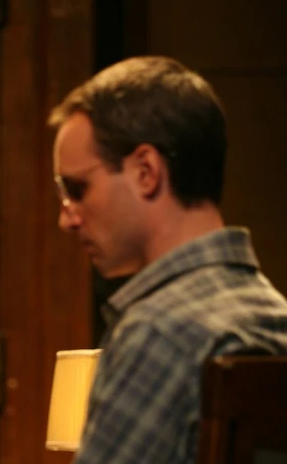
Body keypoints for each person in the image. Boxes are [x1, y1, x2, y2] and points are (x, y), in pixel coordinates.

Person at [49, 56, 287, 464]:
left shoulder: (159, 335)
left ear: (146, 171)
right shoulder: (276, 316)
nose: (66, 217)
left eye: (77, 188)